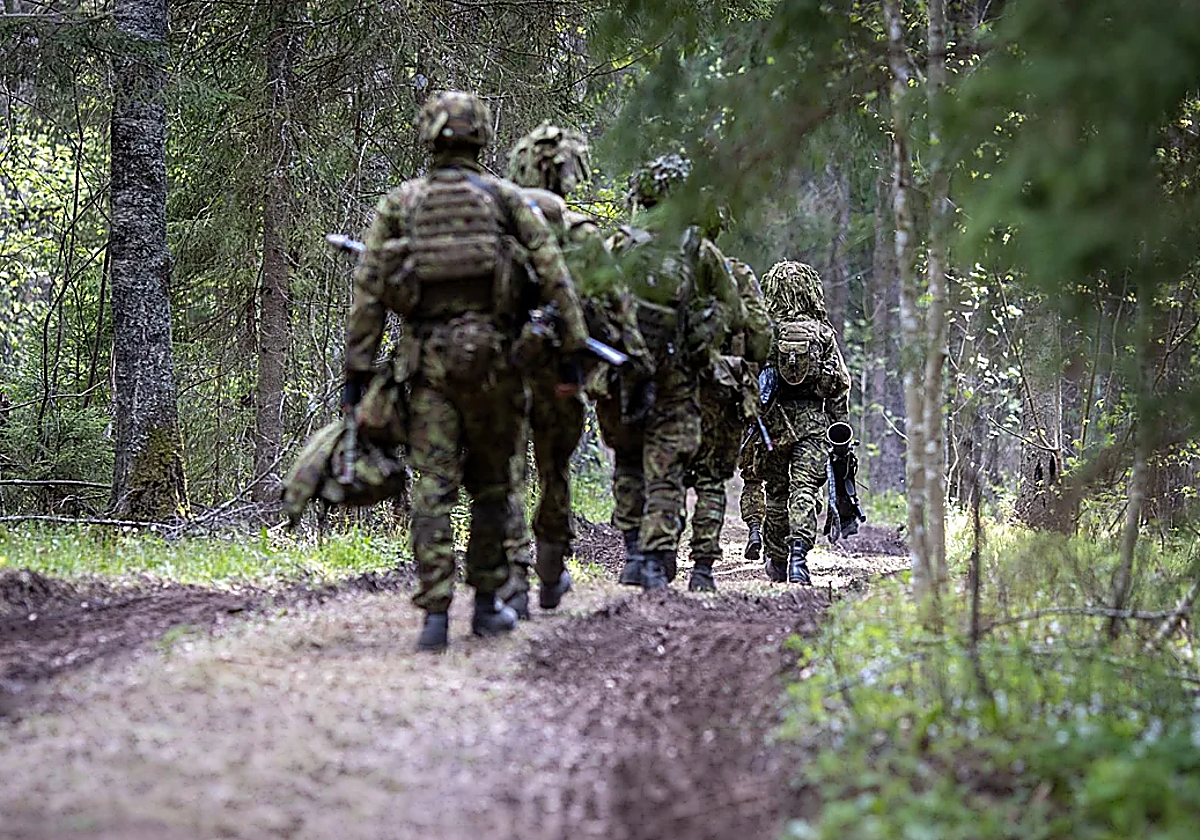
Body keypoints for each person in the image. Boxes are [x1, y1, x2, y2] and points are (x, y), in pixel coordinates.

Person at [343, 91, 589, 651]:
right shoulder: (505, 199)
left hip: (428, 371)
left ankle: (434, 614)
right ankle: (485, 603)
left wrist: (358, 373)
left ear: (427, 135)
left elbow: (370, 290)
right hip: (497, 370)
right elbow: (554, 276)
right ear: (482, 135)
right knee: (493, 486)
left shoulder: (402, 204)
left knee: (432, 486)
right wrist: (571, 352)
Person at [605, 154, 748, 590]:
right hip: (676, 373)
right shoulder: (699, 252)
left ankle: (631, 550)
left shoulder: (617, 246)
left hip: (622, 372)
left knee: (628, 461)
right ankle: (654, 557)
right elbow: (737, 313)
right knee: (666, 467)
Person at [497, 122, 609, 617]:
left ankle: (513, 576)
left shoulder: (495, 224)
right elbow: (610, 308)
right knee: (554, 471)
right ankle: (549, 568)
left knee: (507, 471)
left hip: (504, 367)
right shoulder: (581, 233)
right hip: (561, 374)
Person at [682, 249, 772, 592]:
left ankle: (652, 559)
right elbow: (761, 332)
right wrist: (749, 367)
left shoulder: (653, 261)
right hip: (721, 388)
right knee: (711, 478)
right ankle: (702, 568)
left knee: (666, 473)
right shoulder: (735, 272)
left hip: (670, 387)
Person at [757, 261, 851, 584]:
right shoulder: (823, 334)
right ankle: (799, 559)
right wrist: (842, 431)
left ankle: (777, 559)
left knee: (777, 491)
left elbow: (750, 380)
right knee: (805, 490)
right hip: (813, 426)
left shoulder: (765, 332)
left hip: (773, 427)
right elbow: (840, 385)